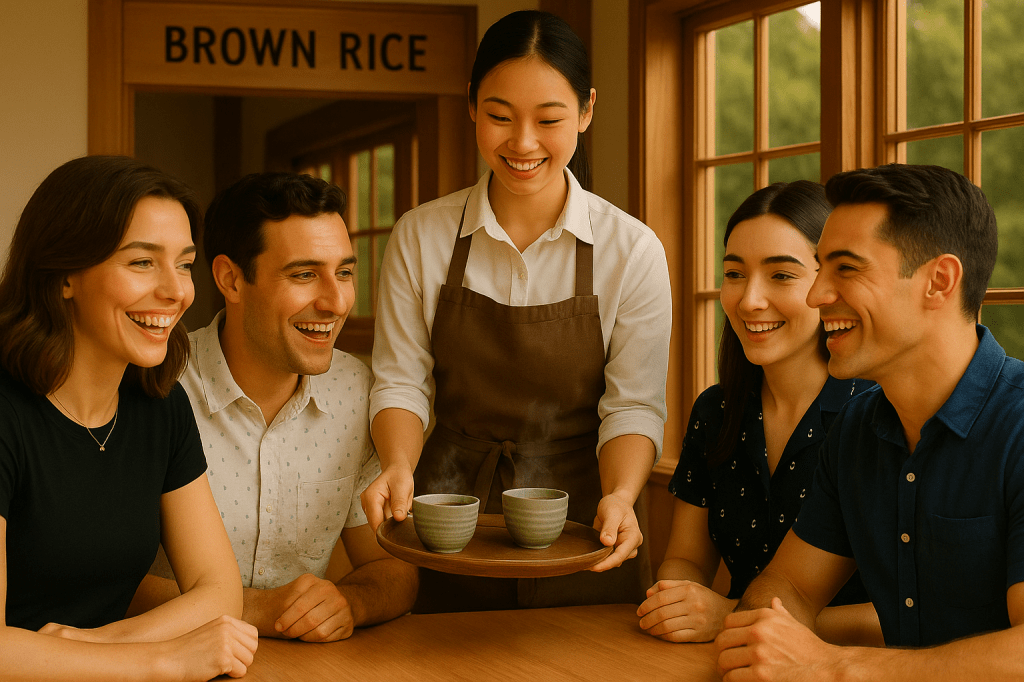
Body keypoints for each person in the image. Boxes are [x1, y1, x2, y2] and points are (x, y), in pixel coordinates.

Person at [362, 9, 672, 611]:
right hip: (447, 522)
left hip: (584, 523)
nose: (522, 143)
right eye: (500, 116)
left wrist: (622, 495)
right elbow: (400, 381)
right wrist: (398, 463)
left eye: (549, 119)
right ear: (473, 107)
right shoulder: (420, 236)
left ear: (585, 111)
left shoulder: (630, 249)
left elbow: (633, 403)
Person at [715, 163, 1024, 681]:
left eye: (847, 269)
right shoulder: (858, 428)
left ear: (939, 281)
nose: (817, 295)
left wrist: (835, 666)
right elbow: (788, 587)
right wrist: (764, 638)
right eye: (818, 268)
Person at [0, 155, 258, 681]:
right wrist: (165, 661)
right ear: (64, 275)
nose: (177, 291)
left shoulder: (160, 406)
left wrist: (93, 646)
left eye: (184, 264)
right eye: (142, 262)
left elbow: (219, 590)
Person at [133, 172, 419, 641]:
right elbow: (106, 584)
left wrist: (351, 602)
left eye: (344, 272)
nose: (335, 301)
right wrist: (259, 609)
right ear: (230, 279)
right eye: (304, 274)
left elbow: (393, 566)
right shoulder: (156, 386)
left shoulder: (356, 392)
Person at [637, 181, 879, 645]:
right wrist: (677, 600)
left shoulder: (876, 417)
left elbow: (908, 617)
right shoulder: (716, 411)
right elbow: (687, 558)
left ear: (829, 285)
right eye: (734, 274)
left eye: (781, 276)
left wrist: (730, 616)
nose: (749, 300)